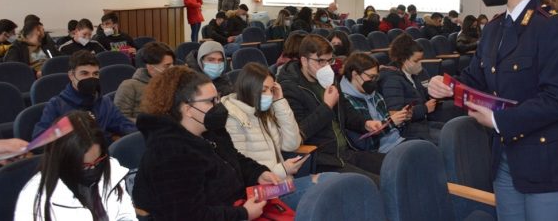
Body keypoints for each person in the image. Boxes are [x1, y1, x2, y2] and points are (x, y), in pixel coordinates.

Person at [427, 0, 558, 220]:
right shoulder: (495, 28)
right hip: (505, 157)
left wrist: (499, 120)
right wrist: (447, 87)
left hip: (547, 162)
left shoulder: (553, 27)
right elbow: (476, 78)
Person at [132, 66, 280, 220]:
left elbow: (233, 159)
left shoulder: (211, 130)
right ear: (187, 109)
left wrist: (258, 173)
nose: (219, 106)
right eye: (211, 101)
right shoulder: (169, 153)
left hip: (237, 204)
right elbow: (187, 216)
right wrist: (243, 214)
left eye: (218, 98)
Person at [222, 63, 335, 208]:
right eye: (263, 90)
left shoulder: (264, 113)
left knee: (335, 181)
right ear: (249, 88)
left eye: (271, 89)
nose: (268, 95)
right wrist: (283, 169)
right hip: (259, 194)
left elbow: (292, 144)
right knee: (330, 189)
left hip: (281, 184)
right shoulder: (233, 118)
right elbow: (240, 170)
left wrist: (280, 101)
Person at [277, 34, 385, 183]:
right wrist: (327, 106)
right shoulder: (289, 89)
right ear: (304, 60)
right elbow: (299, 133)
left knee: (393, 166)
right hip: (323, 160)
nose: (326, 66)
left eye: (329, 60)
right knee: (376, 183)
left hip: (345, 151)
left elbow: (344, 109)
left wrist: (365, 123)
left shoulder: (329, 78)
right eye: (320, 61)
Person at [15, 111, 136, 221]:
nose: (93, 168)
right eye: (85, 166)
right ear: (64, 161)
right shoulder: (33, 198)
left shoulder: (111, 168)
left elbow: (125, 213)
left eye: (98, 160)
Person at [33, 51, 136, 142]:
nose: (91, 78)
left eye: (95, 74)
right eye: (84, 74)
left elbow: (125, 125)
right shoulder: (56, 105)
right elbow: (40, 138)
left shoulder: (104, 102)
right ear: (71, 76)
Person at [378, 33, 440, 143]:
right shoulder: (392, 80)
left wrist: (435, 93)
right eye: (416, 61)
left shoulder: (415, 73)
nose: (420, 64)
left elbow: (424, 95)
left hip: (422, 122)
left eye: (421, 59)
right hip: (407, 130)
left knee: (453, 131)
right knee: (448, 138)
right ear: (403, 60)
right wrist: (425, 108)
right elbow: (396, 114)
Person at [340, 53, 408, 153]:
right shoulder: (345, 101)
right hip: (379, 151)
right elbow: (365, 141)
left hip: (398, 140)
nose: (373, 81)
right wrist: (391, 123)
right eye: (371, 77)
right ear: (355, 74)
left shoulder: (372, 92)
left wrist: (401, 117)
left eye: (375, 77)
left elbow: (389, 121)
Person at [114, 42, 175, 122]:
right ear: (151, 68)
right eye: (167, 66)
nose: (172, 69)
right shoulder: (129, 86)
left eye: (172, 65)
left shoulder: (173, 85)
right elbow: (119, 120)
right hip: (140, 132)